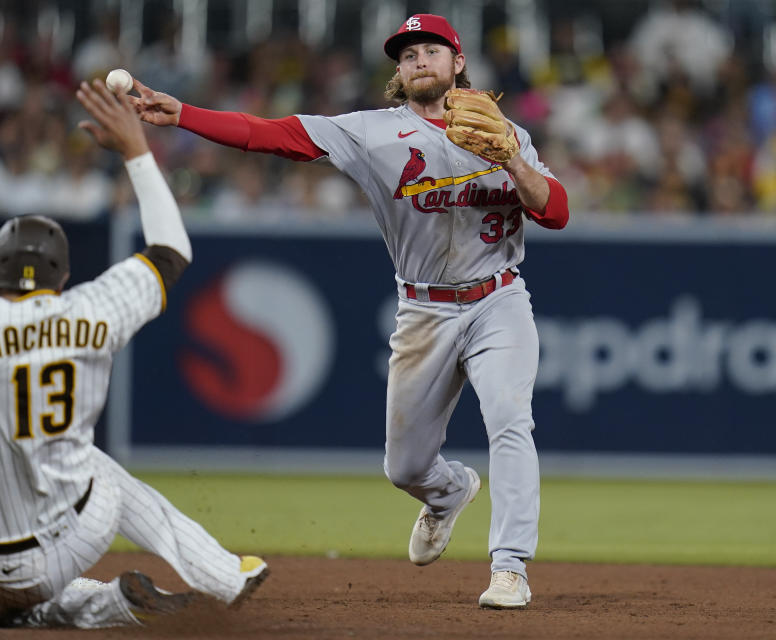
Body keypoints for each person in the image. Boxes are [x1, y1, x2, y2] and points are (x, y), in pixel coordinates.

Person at [128, 13, 569, 609]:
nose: (417, 60)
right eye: (406, 53)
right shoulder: (370, 133)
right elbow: (272, 133)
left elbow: (556, 211)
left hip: (499, 297)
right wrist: (185, 115)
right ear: (398, 70)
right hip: (423, 310)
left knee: (511, 421)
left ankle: (510, 566)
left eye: (430, 50)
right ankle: (448, 492)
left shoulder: (506, 132)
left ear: (457, 62)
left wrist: (515, 159)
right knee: (405, 467)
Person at [0, 73, 268, 628]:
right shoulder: (90, 310)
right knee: (94, 468)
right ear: (60, 278)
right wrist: (135, 151)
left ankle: (105, 603)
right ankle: (216, 577)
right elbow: (170, 249)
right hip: (69, 544)